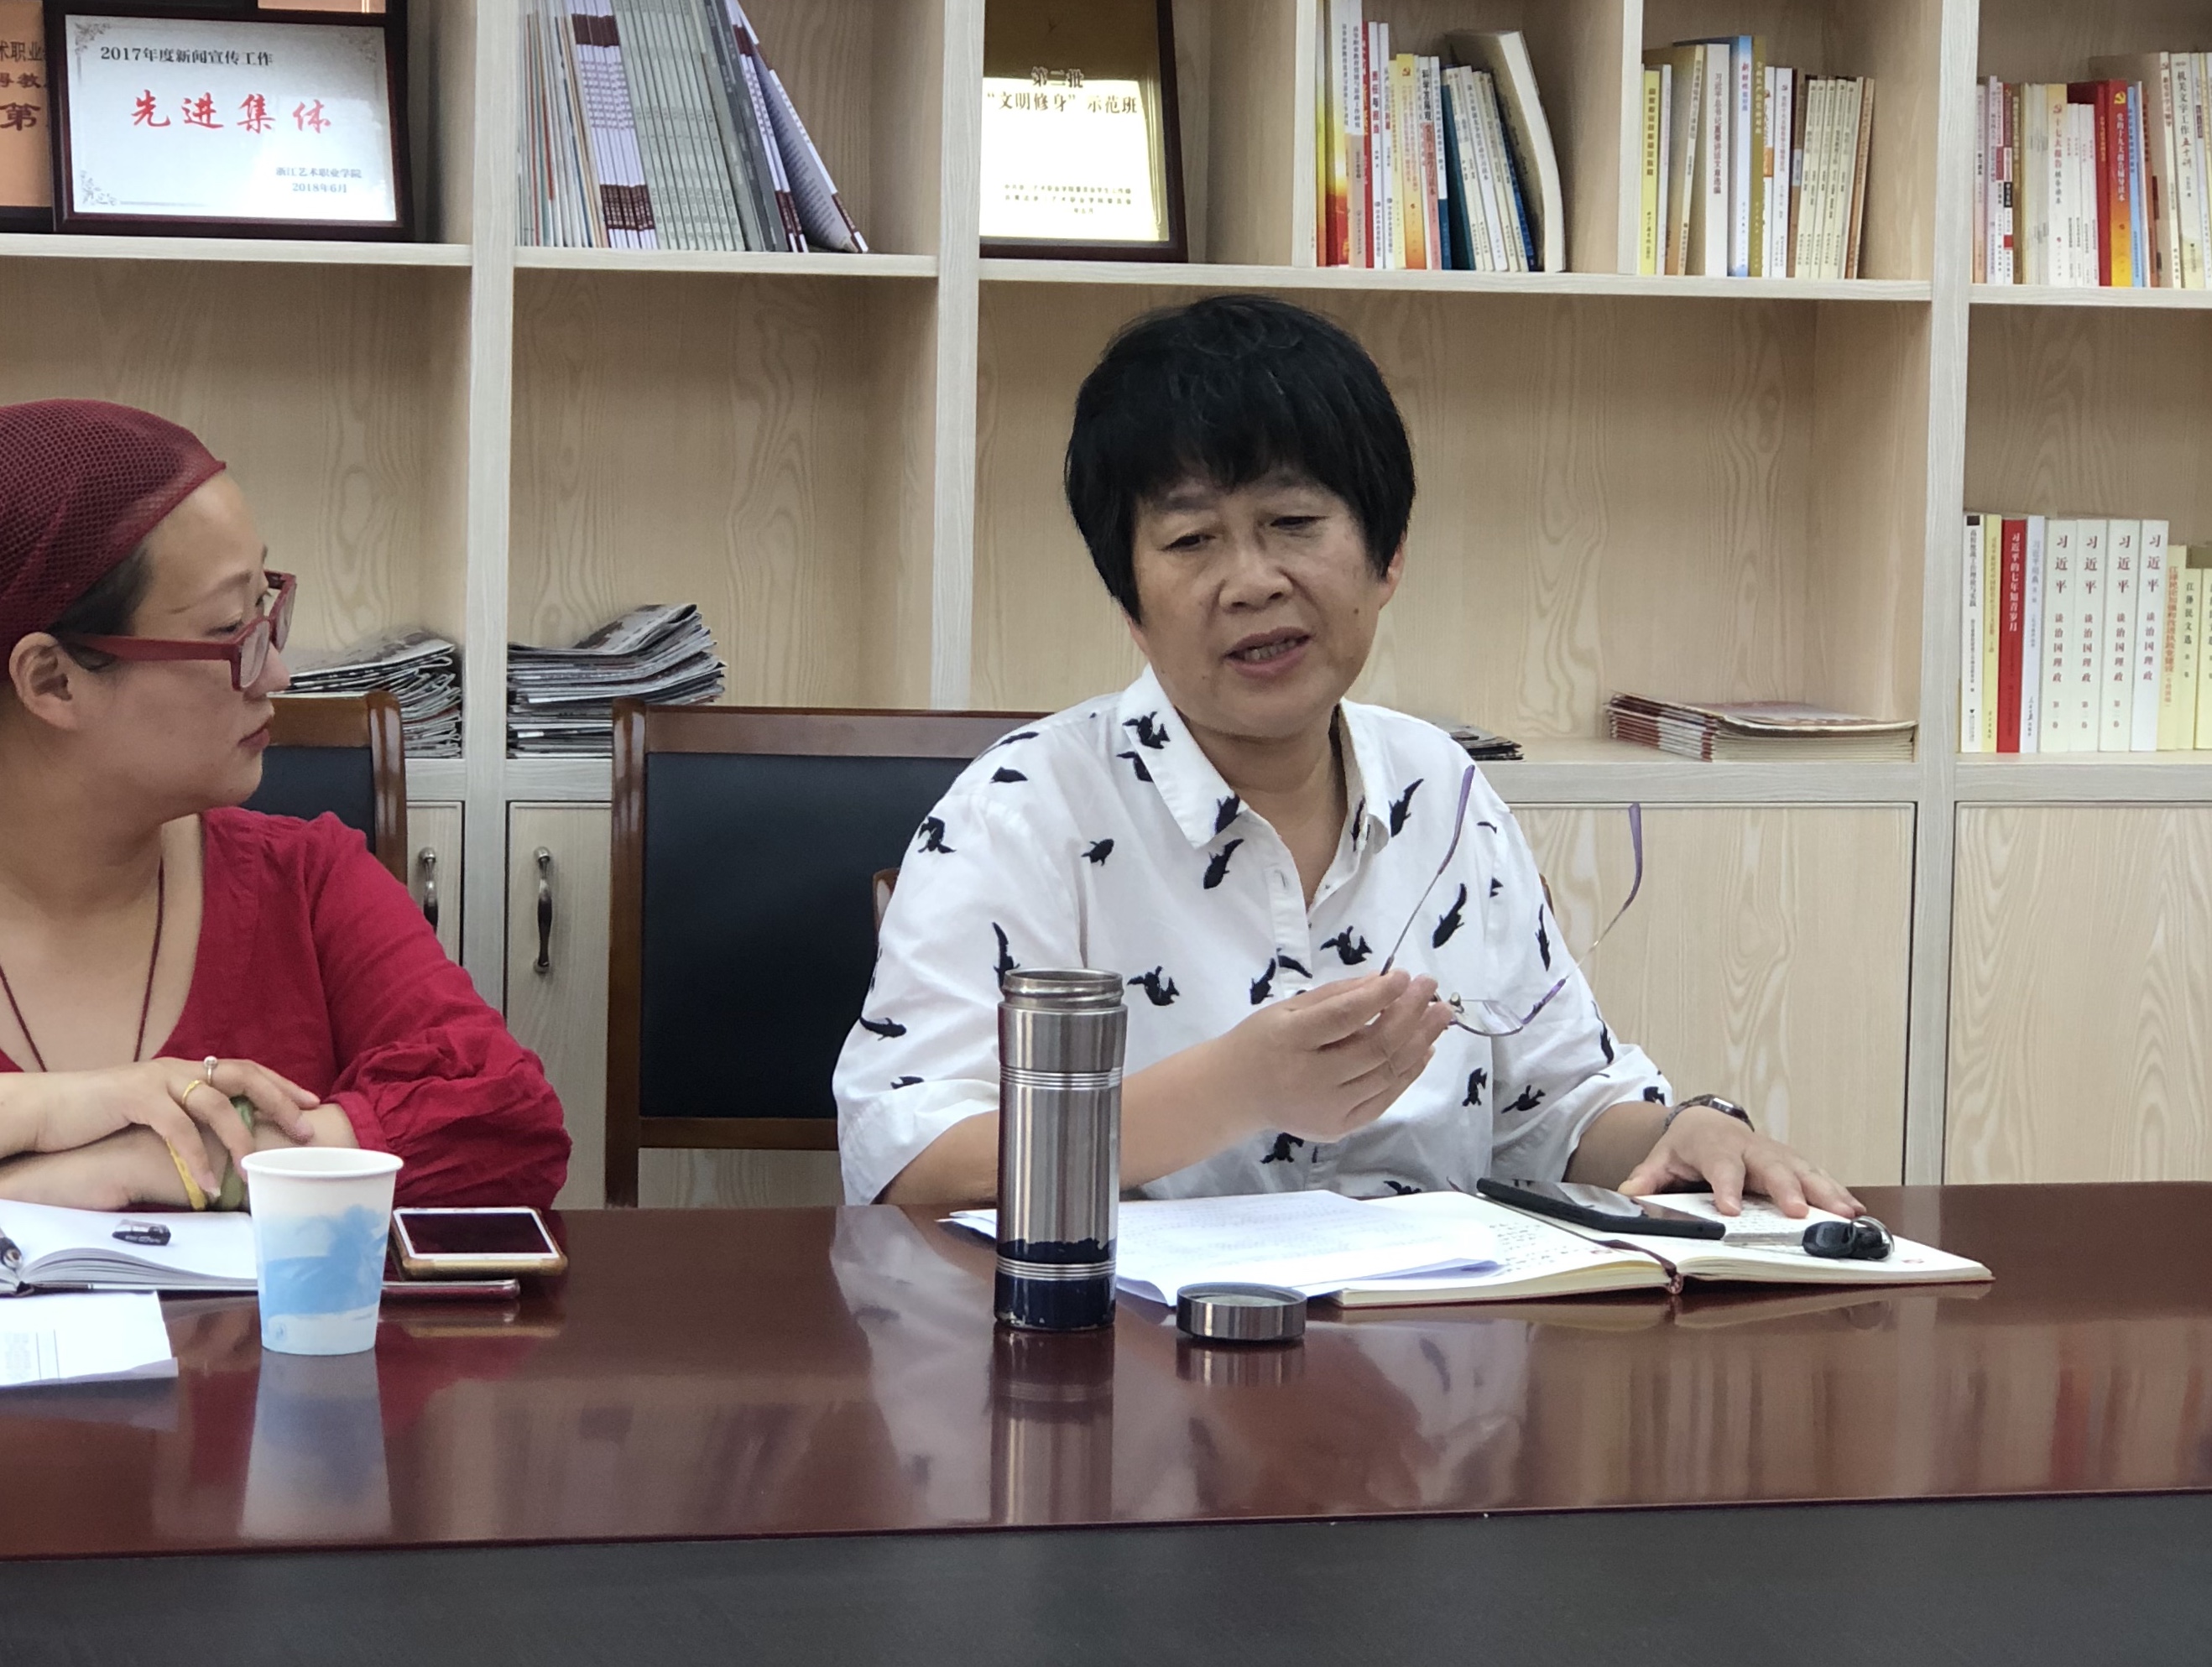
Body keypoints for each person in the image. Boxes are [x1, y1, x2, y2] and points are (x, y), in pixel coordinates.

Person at [835, 295, 1860, 1219]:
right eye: (1191, 541)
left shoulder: (1441, 790)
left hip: (1432, 1346)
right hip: (1128, 1349)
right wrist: (1234, 1090)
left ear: (1386, 557)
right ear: (1130, 606)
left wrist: (1688, 1131)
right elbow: (908, 1158)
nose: (1250, 582)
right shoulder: (1021, 809)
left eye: (1292, 523)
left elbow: (1560, 1108)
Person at [0, 399, 569, 1211]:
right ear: (53, 681)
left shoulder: (306, 881)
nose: (277, 673)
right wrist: (44, 1109)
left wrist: (168, 1162)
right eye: (231, 631)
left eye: (265, 610)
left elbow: (507, 1123)